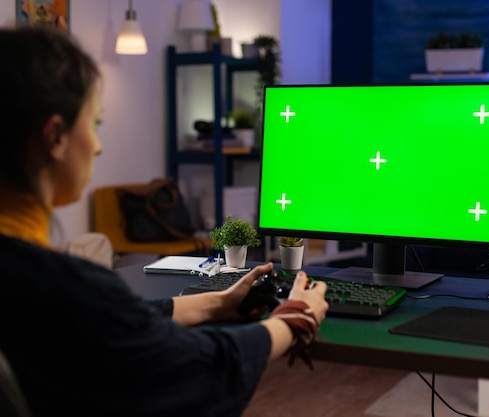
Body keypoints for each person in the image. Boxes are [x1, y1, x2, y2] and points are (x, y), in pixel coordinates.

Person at [0, 25, 328, 417]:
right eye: (95, 123)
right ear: (55, 136)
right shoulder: (64, 291)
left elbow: (120, 325)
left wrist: (216, 304)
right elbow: (202, 369)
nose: (99, 145)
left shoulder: (39, 287)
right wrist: (295, 319)